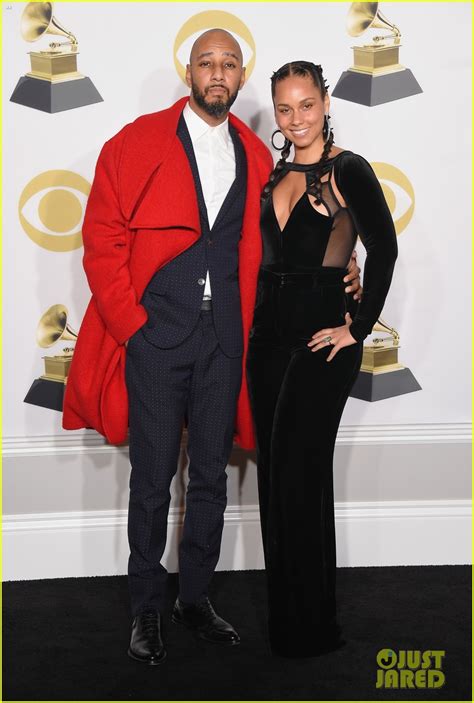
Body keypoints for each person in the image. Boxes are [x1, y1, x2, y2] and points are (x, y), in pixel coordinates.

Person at [62, 33, 362, 664]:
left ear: (241, 74)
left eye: (229, 65)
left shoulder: (259, 154)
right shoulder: (134, 141)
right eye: (207, 63)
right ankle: (146, 607)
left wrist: (347, 267)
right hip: (156, 334)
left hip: (226, 337)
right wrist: (130, 322)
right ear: (189, 70)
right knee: (149, 480)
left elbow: (296, 238)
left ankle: (193, 598)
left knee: (209, 481)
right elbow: (102, 235)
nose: (218, 73)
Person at [246, 60, 398, 658]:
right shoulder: (273, 172)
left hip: (320, 341)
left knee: (301, 475)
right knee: (276, 481)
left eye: (306, 105)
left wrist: (356, 328)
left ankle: (314, 628)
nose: (296, 118)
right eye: (285, 108)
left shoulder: (349, 170)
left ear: (326, 103)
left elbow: (382, 249)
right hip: (268, 343)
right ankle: (288, 622)